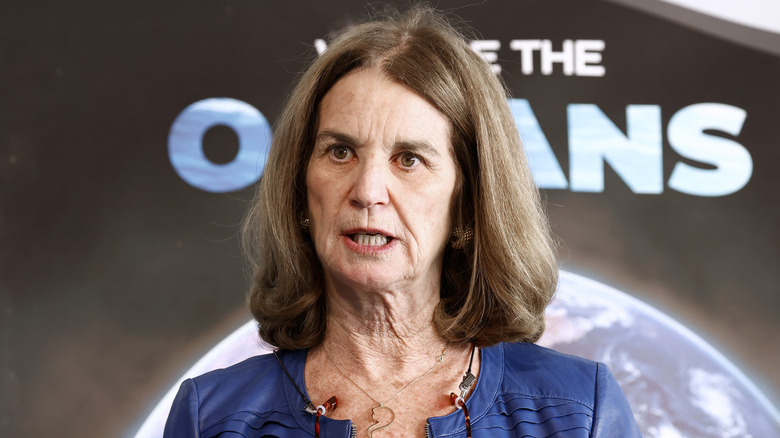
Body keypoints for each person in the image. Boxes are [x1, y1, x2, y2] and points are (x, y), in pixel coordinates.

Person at [164, 5, 641, 438]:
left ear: (469, 205)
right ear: (301, 189)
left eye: (408, 159)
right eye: (341, 151)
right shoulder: (213, 418)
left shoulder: (578, 413)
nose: (368, 191)